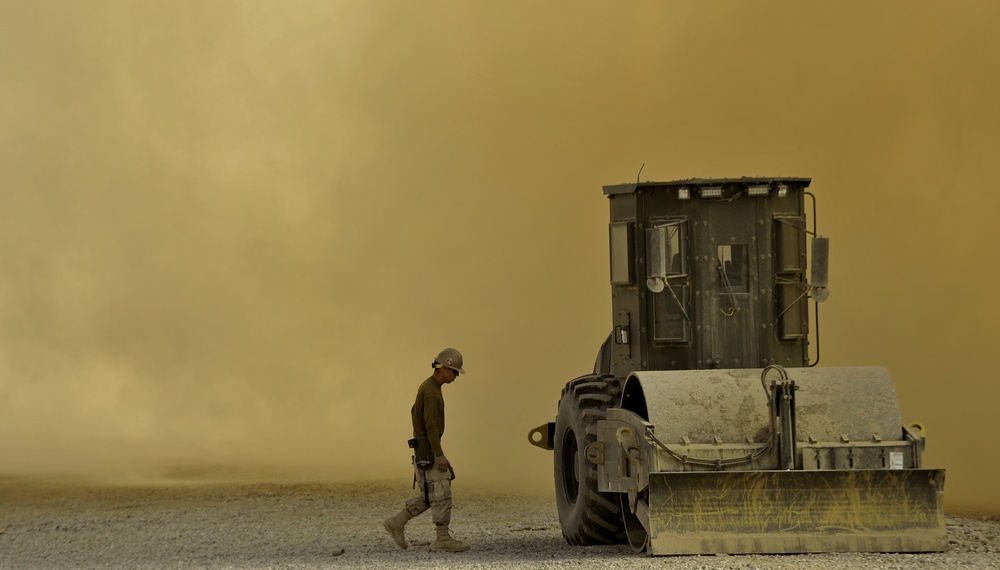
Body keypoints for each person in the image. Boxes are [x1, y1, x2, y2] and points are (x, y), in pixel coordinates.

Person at [382, 348, 470, 552]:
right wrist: (438, 454)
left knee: (432, 494)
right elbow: (430, 425)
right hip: (429, 448)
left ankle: (397, 522)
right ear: (444, 368)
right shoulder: (431, 391)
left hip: (426, 447)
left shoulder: (431, 387)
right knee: (441, 490)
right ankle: (442, 539)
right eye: (455, 371)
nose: (456, 376)